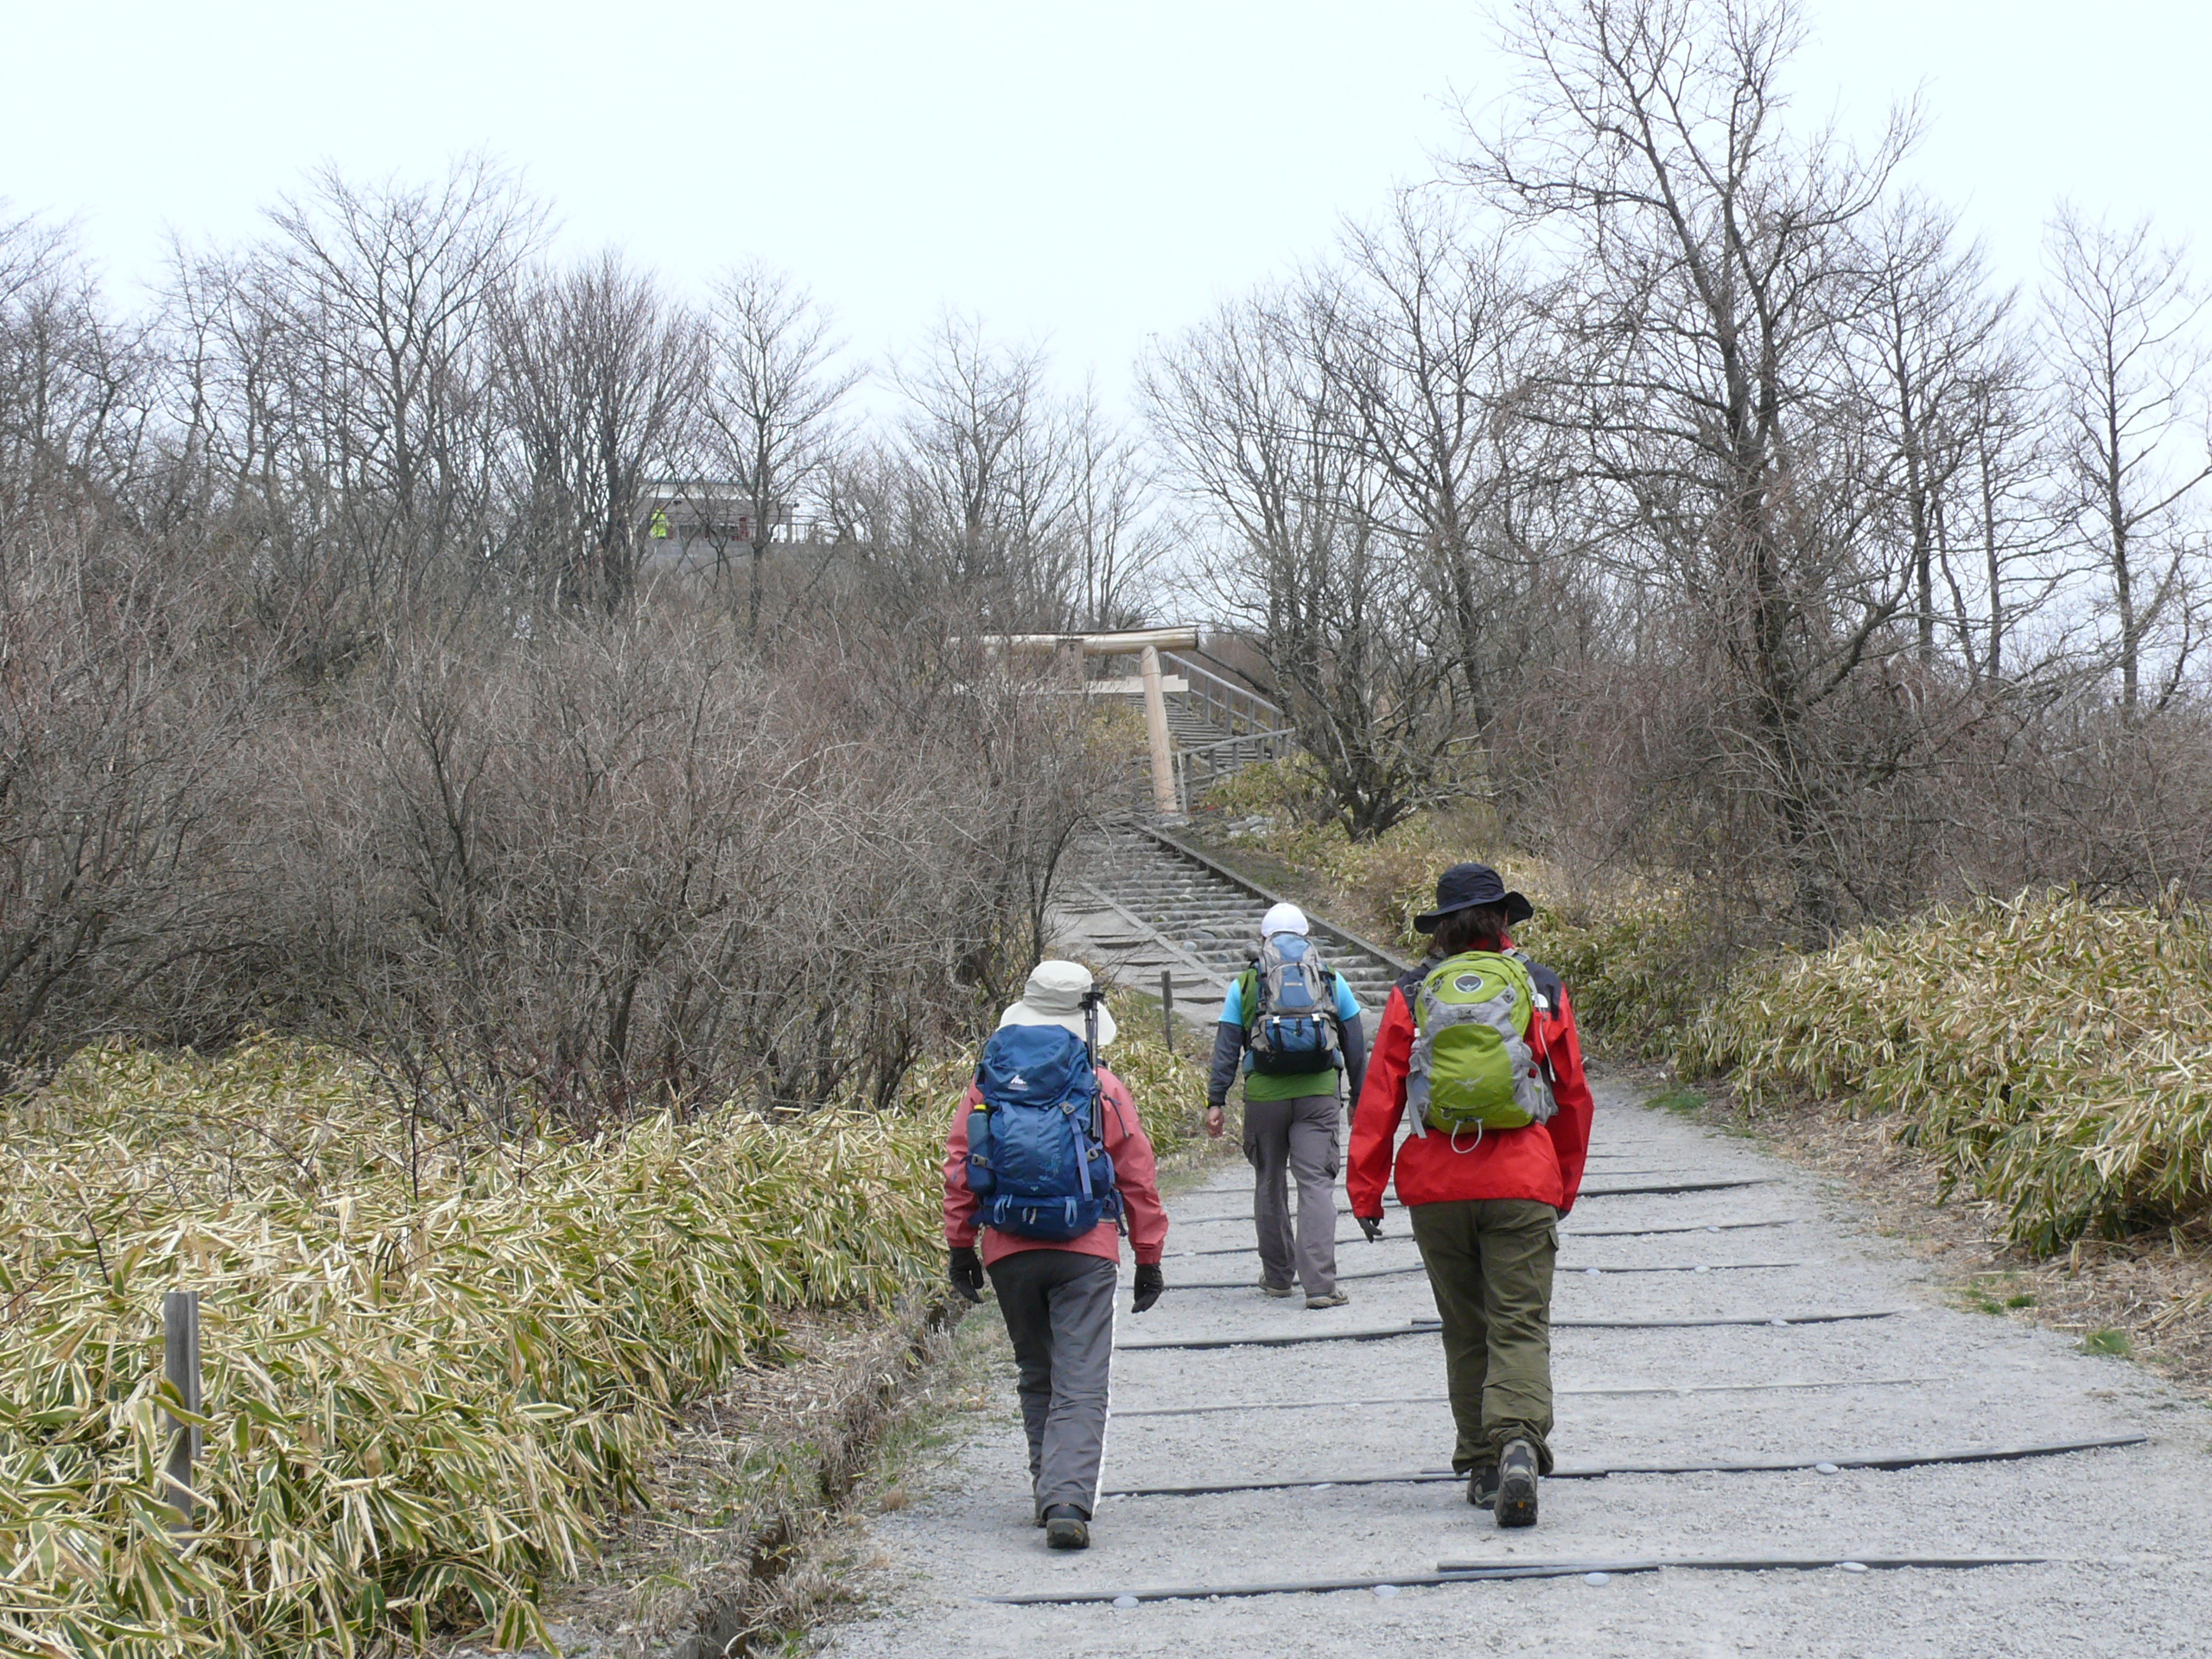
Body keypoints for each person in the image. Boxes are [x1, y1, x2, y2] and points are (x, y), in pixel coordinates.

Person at [1347, 863, 1592, 1529]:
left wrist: (1365, 1190)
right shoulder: (1540, 988)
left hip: (1435, 1184)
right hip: (1522, 1177)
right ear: (1504, 920)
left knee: (1465, 1328)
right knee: (1518, 1320)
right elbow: (1570, 1094)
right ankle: (1517, 1440)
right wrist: (1563, 1180)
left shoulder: (1413, 991)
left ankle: (1485, 1467)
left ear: (1442, 929)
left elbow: (1380, 1098)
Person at [943, 961, 1167, 1551]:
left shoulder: (987, 1084)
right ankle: (1066, 1499)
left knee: (1037, 1372)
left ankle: (1049, 1486)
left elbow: (962, 1165)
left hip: (1008, 1250)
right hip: (1085, 1248)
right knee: (1081, 1379)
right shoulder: (1099, 1085)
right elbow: (1136, 1174)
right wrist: (1148, 1255)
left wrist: (960, 1247)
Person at [1205, 902, 1368, 1309]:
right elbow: (1355, 1043)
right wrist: (1357, 1098)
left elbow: (1226, 1047)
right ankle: (1320, 1287)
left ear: (1264, 940)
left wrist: (1216, 1100)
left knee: (1269, 1182)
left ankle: (1278, 1278)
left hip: (1265, 1097)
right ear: (1305, 937)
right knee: (1315, 1184)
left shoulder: (1245, 983)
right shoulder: (1330, 978)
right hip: (1318, 1094)